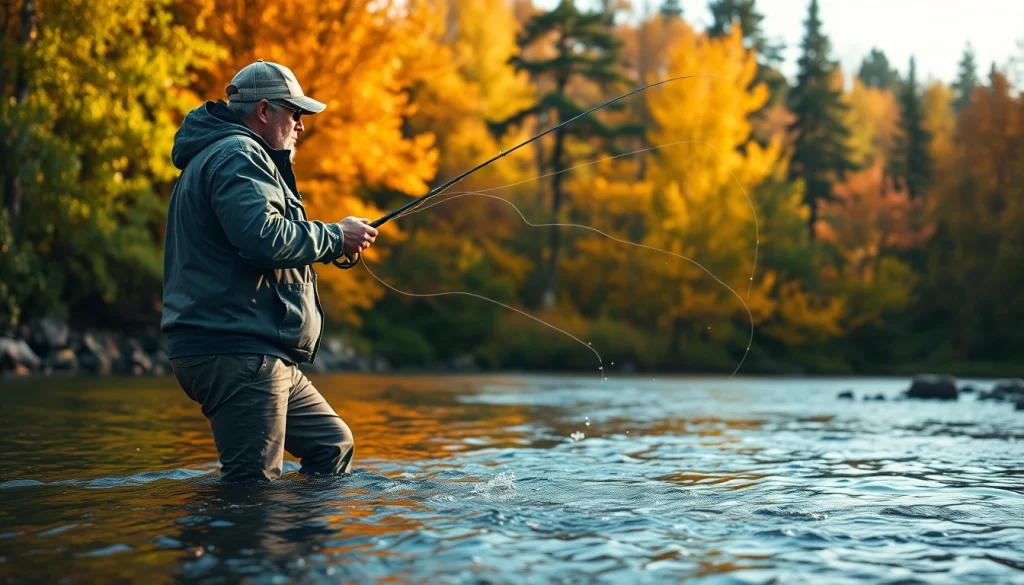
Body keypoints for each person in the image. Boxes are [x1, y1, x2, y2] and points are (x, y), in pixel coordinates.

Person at [160, 59, 378, 482]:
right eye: (294, 114)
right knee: (252, 491)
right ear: (264, 111)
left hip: (251, 347)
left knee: (331, 445)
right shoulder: (238, 154)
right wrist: (334, 236)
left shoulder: (227, 155)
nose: (300, 126)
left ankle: (294, 547)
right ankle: (238, 544)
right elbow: (262, 236)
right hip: (237, 348)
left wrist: (330, 242)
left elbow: (258, 239)